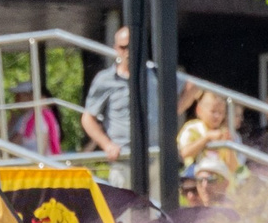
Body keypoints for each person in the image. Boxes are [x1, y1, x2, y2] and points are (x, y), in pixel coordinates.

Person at [81, 26, 194, 164]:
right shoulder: (105, 79)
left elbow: (193, 86)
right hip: (123, 158)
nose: (128, 52)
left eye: (132, 46)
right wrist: (107, 145)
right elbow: (88, 118)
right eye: (124, 47)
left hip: (157, 156)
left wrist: (172, 112)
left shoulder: (155, 74)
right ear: (116, 48)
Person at [177, 88, 241, 197]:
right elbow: (184, 153)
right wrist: (206, 138)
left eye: (221, 113)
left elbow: (234, 167)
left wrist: (228, 145)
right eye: (213, 111)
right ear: (199, 110)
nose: (217, 116)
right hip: (193, 179)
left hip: (219, 180)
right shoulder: (192, 128)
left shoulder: (224, 133)